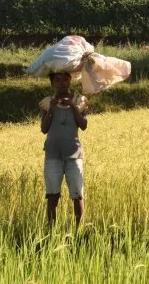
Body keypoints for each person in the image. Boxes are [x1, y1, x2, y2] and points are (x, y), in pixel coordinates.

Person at [40, 72, 89, 227]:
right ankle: (51, 231)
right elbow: (44, 128)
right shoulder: (47, 103)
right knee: (52, 196)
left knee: (77, 195)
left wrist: (73, 106)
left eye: (65, 79)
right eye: (57, 80)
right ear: (52, 83)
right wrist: (51, 110)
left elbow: (83, 125)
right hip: (53, 154)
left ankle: (79, 231)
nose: (61, 83)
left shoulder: (79, 101)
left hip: (74, 154)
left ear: (70, 80)